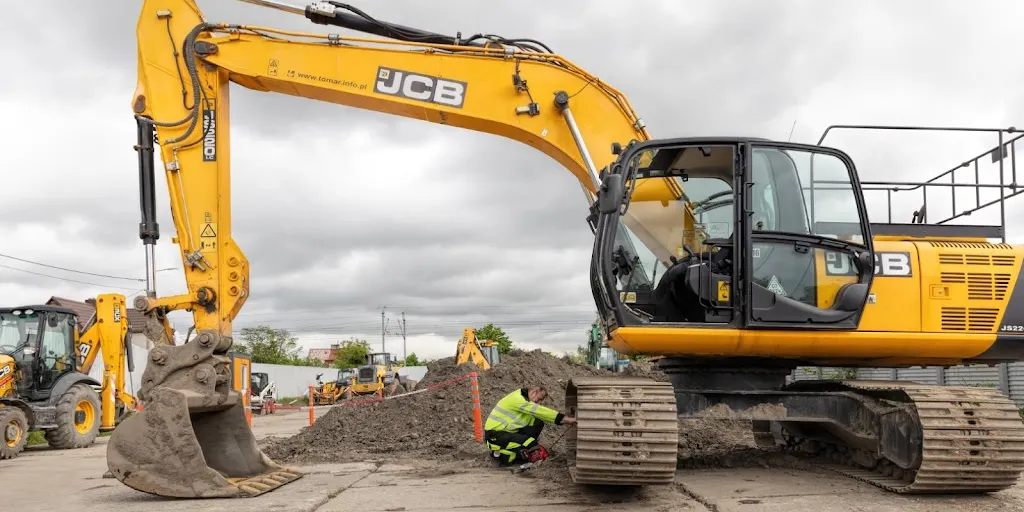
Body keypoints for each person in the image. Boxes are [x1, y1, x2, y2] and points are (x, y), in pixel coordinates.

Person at [484, 386, 576, 467]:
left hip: (506, 432)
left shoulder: (524, 399)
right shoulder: (518, 400)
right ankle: (500, 455)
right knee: (530, 443)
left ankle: (520, 453)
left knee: (538, 421)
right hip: (494, 435)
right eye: (539, 399)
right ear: (533, 393)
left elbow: (541, 415)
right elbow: (540, 411)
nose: (539, 402)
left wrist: (562, 421)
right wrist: (565, 419)